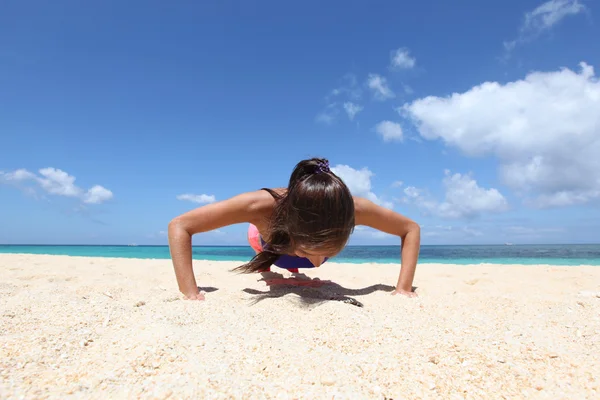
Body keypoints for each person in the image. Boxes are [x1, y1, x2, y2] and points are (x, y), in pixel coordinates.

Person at [168, 157, 421, 300]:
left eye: (328, 251)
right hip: (266, 238)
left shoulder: (354, 210)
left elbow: (410, 228)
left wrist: (403, 287)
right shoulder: (259, 206)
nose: (318, 261)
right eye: (307, 251)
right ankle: (268, 260)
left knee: (307, 259)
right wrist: (189, 292)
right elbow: (180, 225)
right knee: (265, 251)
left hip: (290, 236)